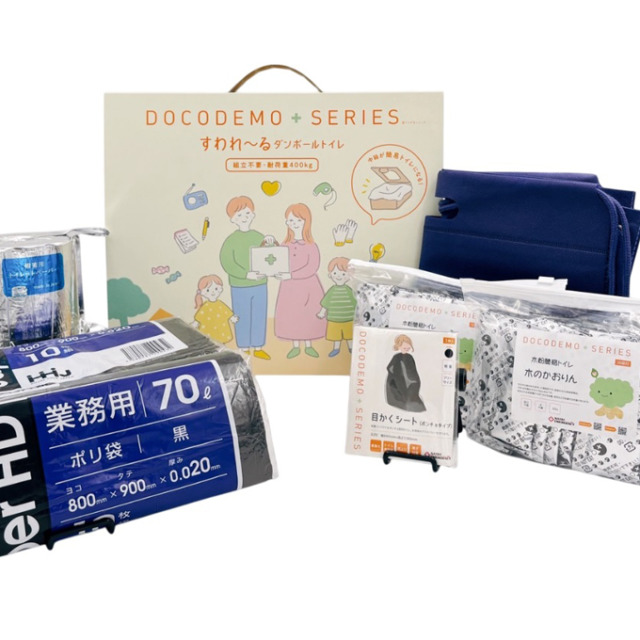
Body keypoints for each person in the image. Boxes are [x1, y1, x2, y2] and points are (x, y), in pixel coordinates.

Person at [219, 196, 271, 359]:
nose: (244, 217)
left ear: (253, 214)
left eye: (247, 213)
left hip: (260, 284)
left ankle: (258, 346)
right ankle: (243, 347)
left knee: (259, 314)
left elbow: (269, 256)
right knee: (242, 315)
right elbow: (227, 262)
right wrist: (246, 274)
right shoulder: (231, 240)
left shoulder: (258, 236)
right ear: (232, 219)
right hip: (239, 286)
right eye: (239, 214)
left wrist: (270, 242)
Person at [274, 203, 326, 358]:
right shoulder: (284, 245)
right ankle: (295, 345)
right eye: (291, 220)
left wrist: (291, 275)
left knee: (307, 314)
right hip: (289, 288)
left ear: (306, 221)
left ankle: (308, 344)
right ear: (286, 222)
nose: (295, 224)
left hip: (309, 287)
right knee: (292, 314)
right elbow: (277, 260)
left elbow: (312, 267)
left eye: (298, 220)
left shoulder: (311, 245)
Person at [317, 257, 357, 357]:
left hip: (348, 319)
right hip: (334, 320)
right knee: (336, 336)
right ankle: (336, 349)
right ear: (330, 275)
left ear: (349, 276)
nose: (339, 276)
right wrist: (322, 312)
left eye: (343, 274)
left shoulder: (349, 291)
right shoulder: (331, 291)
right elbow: (326, 303)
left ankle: (351, 347)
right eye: (335, 273)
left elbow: (355, 303)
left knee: (349, 336)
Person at [385, 334, 426, 412]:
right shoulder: (396, 357)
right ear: (399, 346)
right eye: (404, 348)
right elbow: (389, 367)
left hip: (409, 380)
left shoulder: (410, 357)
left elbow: (413, 370)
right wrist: (396, 374)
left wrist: (412, 380)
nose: (407, 349)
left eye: (408, 347)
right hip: (397, 381)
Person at [192, 274, 237, 344]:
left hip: (221, 329)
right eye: (208, 290)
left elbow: (226, 311)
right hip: (208, 330)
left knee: (221, 342)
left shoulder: (220, 304)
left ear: (220, 289)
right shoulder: (205, 306)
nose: (212, 292)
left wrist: (232, 317)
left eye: (216, 289)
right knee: (209, 342)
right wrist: (195, 323)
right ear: (202, 292)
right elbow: (200, 316)